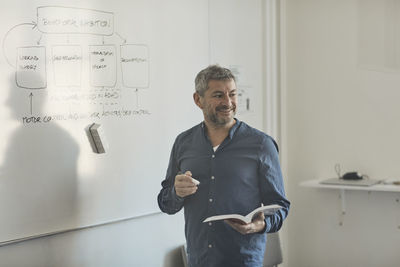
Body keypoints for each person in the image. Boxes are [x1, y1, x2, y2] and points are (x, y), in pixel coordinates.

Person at [157, 65, 290, 267]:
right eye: (218, 95)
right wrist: (177, 192)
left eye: (233, 94)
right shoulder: (183, 143)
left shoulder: (261, 144)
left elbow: (280, 206)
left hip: (243, 259)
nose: (228, 102)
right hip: (198, 260)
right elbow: (166, 203)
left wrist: (261, 224)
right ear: (198, 99)